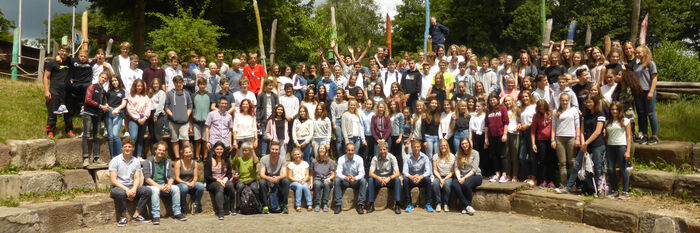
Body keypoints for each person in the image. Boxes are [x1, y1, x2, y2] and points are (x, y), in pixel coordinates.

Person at [556, 96, 605, 195]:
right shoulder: (585, 115)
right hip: (585, 145)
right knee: (576, 165)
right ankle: (569, 187)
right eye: (586, 102)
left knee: (597, 167)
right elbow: (582, 131)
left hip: (597, 144)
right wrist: (583, 144)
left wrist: (586, 143)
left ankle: (598, 189)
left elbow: (597, 132)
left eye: (590, 102)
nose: (588, 104)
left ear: (595, 103)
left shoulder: (600, 114)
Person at [109, 138, 152, 227]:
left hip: (131, 186)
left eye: (130, 147)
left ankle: (137, 215)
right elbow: (113, 180)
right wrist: (126, 190)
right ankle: (123, 216)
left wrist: (134, 189)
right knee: (121, 193)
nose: (127, 149)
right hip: (118, 187)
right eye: (125, 147)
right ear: (122, 148)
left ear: (133, 148)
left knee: (147, 191)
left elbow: (137, 178)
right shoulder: (115, 160)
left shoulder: (136, 161)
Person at [143, 142, 187, 224]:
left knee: (176, 188)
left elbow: (171, 176)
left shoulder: (167, 161)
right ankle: (156, 215)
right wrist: (160, 187)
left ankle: (177, 212)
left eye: (163, 150)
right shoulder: (148, 161)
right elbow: (147, 179)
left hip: (163, 184)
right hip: (151, 185)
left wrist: (169, 185)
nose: (161, 152)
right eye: (159, 150)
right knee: (155, 190)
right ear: (155, 150)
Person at [43, 45, 75, 139]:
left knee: (68, 113)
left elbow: (81, 59)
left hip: (67, 91)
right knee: (52, 112)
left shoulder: (70, 61)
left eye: (66, 51)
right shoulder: (52, 63)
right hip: (55, 90)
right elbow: (46, 77)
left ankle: (69, 130)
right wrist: (46, 91)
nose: (64, 53)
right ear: (58, 51)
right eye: (62, 51)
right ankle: (50, 131)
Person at [605, 102, 632, 199]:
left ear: (620, 110)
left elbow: (629, 137)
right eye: (612, 109)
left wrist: (628, 150)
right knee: (611, 169)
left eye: (616, 109)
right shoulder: (608, 122)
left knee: (623, 168)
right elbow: (606, 136)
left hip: (621, 146)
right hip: (610, 147)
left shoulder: (625, 121)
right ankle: (615, 190)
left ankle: (625, 192)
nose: (614, 111)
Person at [82, 72, 109, 167]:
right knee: (86, 135)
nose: (103, 79)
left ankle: (96, 158)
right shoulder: (92, 87)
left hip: (98, 115)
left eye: (105, 78)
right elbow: (88, 100)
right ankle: (85, 158)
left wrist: (105, 106)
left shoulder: (104, 91)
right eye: (102, 77)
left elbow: (104, 102)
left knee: (97, 136)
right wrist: (100, 106)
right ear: (99, 77)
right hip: (88, 113)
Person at [632, 45, 659, 145]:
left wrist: (651, 92)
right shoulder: (636, 65)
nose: (636, 54)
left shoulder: (650, 64)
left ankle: (655, 136)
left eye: (638, 52)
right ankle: (645, 135)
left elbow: (654, 78)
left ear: (644, 53)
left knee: (651, 114)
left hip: (648, 91)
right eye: (636, 53)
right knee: (642, 114)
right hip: (639, 93)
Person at [367, 141, 402, 214]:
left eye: (384, 149)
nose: (382, 151)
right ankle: (371, 205)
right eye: (380, 149)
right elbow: (370, 173)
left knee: (397, 180)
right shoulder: (375, 158)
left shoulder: (392, 157)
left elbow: (398, 173)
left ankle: (397, 205)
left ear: (387, 149)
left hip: (389, 179)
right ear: (378, 150)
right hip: (379, 180)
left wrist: (389, 178)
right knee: (370, 180)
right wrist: (378, 178)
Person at [333, 143, 368, 215]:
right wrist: (345, 177)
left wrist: (355, 178)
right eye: (349, 150)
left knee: (363, 181)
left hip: (355, 181)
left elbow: (362, 173)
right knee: (337, 180)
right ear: (346, 150)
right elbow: (338, 173)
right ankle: (338, 205)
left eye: (352, 150)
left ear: (354, 150)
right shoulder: (341, 159)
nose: (350, 152)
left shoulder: (359, 159)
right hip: (345, 181)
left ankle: (360, 205)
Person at [205, 142, 236, 220]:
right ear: (214, 150)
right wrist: (218, 180)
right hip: (213, 182)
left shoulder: (226, 159)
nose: (219, 151)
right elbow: (207, 176)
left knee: (230, 185)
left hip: (223, 180)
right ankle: (221, 211)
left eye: (221, 149)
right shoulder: (209, 160)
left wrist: (225, 179)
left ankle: (232, 208)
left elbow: (229, 173)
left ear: (223, 150)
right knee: (219, 187)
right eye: (217, 149)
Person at [451, 138, 482, 215]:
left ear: (469, 143)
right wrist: (459, 178)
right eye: (462, 144)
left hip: (475, 175)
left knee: (466, 184)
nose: (464, 145)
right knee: (454, 184)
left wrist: (464, 178)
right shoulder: (458, 154)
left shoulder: (475, 153)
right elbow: (456, 168)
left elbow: (474, 169)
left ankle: (466, 206)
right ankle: (467, 206)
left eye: (466, 143)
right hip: (461, 176)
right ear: (460, 145)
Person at [165, 76, 193, 159]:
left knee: (185, 140)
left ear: (182, 83)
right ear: (174, 83)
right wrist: (172, 115)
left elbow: (190, 106)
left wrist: (186, 115)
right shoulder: (170, 93)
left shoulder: (186, 93)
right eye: (176, 83)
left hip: (184, 122)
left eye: (180, 82)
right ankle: (177, 157)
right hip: (173, 122)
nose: (178, 84)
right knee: (175, 140)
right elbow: (166, 107)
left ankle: (187, 156)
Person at [259, 142, 291, 214]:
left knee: (286, 181)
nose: (274, 151)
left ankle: (284, 205)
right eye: (273, 149)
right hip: (267, 178)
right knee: (261, 182)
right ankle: (265, 206)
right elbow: (262, 174)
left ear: (279, 150)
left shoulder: (282, 159)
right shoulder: (264, 159)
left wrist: (277, 178)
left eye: (276, 149)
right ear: (270, 149)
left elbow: (284, 174)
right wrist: (269, 178)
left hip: (277, 178)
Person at [403, 140, 434, 213]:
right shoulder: (407, 157)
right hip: (412, 179)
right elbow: (404, 171)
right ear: (412, 148)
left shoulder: (425, 157)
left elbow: (428, 171)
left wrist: (420, 177)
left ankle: (428, 203)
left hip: (421, 179)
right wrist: (412, 177)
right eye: (414, 147)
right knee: (405, 180)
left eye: (417, 147)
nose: (416, 148)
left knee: (428, 180)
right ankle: (409, 204)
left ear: (420, 147)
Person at [174, 145, 205, 215]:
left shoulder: (195, 163)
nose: (188, 154)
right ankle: (183, 206)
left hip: (191, 183)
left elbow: (196, 176)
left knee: (200, 186)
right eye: (186, 153)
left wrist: (193, 182)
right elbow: (177, 178)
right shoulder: (178, 163)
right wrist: (186, 183)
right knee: (184, 188)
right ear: (183, 154)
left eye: (190, 152)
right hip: (181, 183)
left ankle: (196, 205)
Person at [485, 93, 509, 182]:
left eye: (494, 99)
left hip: (500, 135)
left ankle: (504, 175)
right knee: (494, 156)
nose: (492, 101)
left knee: (502, 155)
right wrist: (486, 138)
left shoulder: (502, 108)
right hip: (492, 136)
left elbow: (506, 122)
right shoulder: (488, 110)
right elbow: (486, 125)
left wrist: (505, 134)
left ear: (497, 99)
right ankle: (497, 174)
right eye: (490, 100)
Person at [232, 142, 261, 213]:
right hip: (242, 180)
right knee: (239, 188)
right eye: (243, 150)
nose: (244, 152)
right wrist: (237, 151)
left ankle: (258, 205)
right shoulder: (240, 159)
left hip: (251, 180)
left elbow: (256, 161)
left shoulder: (252, 158)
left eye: (246, 150)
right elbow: (234, 161)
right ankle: (238, 207)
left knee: (255, 189)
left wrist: (253, 150)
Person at [126, 79, 151, 160]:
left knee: (140, 137)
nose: (140, 87)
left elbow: (148, 107)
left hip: (144, 117)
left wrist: (145, 117)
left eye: (141, 86)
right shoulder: (131, 96)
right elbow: (130, 108)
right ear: (135, 87)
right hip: (134, 119)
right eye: (138, 86)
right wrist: (137, 118)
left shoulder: (145, 96)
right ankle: (131, 155)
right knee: (133, 137)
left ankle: (139, 156)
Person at [518, 91, 537, 186]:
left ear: (530, 97)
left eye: (526, 96)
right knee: (522, 157)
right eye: (523, 97)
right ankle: (528, 175)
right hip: (523, 132)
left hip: (531, 131)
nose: (524, 98)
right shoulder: (522, 108)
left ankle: (533, 177)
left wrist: (528, 125)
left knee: (533, 156)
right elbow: (520, 120)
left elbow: (536, 120)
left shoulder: (534, 107)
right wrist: (519, 125)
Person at [431, 139, 455, 212]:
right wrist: (440, 179)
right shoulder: (435, 156)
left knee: (447, 184)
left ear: (447, 146)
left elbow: (452, 172)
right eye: (441, 146)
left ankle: (445, 204)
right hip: (439, 176)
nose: (443, 147)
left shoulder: (452, 156)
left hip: (448, 176)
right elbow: (435, 170)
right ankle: (438, 203)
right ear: (439, 147)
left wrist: (444, 180)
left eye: (445, 145)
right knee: (435, 183)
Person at [257, 79, 280, 155]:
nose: (270, 87)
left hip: (273, 119)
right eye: (269, 85)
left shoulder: (275, 96)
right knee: (264, 137)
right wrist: (258, 120)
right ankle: (263, 154)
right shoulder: (261, 96)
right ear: (265, 86)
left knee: (273, 137)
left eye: (272, 86)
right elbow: (258, 108)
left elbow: (277, 107)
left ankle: (273, 153)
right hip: (264, 119)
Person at [191, 78, 212, 160]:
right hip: (196, 122)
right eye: (200, 84)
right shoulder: (194, 95)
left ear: (206, 85)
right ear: (198, 85)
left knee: (205, 140)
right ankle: (197, 156)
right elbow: (191, 108)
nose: (202, 86)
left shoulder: (209, 95)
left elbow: (211, 108)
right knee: (197, 140)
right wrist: (191, 123)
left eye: (204, 84)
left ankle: (205, 156)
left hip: (207, 122)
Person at [311, 145, 335, 212]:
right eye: (320, 148)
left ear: (326, 151)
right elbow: (312, 174)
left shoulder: (330, 161)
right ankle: (317, 204)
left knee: (326, 183)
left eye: (323, 149)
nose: (321, 150)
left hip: (327, 179)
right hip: (318, 179)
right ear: (318, 150)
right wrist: (311, 183)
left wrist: (329, 178)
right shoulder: (314, 161)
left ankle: (325, 204)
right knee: (317, 184)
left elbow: (333, 174)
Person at [503, 95, 520, 182]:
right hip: (506, 133)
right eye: (506, 101)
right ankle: (508, 174)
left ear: (512, 101)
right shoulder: (503, 110)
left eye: (509, 101)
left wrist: (519, 125)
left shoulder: (517, 110)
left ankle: (515, 175)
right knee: (507, 155)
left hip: (514, 133)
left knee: (515, 155)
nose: (507, 102)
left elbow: (520, 121)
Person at [147, 78, 166, 156]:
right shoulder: (151, 93)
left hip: (158, 114)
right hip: (150, 114)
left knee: (158, 136)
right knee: (152, 136)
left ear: (159, 84)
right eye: (154, 84)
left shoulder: (161, 93)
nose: (155, 85)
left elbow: (161, 105)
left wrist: (155, 115)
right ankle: (153, 154)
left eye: (157, 84)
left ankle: (161, 153)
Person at [330, 89, 349, 155]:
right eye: (337, 93)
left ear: (343, 94)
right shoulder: (334, 103)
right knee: (339, 139)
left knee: (345, 138)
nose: (338, 95)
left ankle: (345, 154)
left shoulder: (347, 103)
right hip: (337, 121)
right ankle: (340, 155)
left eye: (340, 93)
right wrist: (334, 124)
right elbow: (333, 114)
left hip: (345, 122)